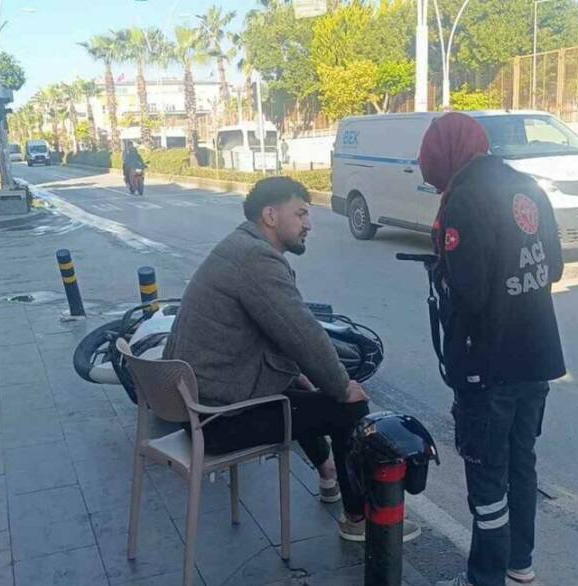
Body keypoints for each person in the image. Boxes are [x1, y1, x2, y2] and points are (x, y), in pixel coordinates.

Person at [163, 176, 421, 543]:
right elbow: (302, 332)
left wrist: (306, 376)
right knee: (346, 408)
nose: (308, 224)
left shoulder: (238, 247)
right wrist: (341, 385)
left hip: (200, 405)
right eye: (300, 213)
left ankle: (328, 472)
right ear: (270, 215)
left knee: (300, 389)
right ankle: (359, 519)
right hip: (217, 420)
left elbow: (278, 335)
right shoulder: (255, 259)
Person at [417, 113, 565, 586]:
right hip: (537, 354)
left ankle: (486, 585)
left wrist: (444, 272)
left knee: (486, 471)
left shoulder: (464, 198)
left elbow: (472, 292)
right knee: (522, 461)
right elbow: (556, 267)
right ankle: (518, 562)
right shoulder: (527, 186)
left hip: (489, 360)